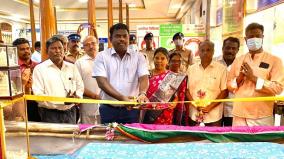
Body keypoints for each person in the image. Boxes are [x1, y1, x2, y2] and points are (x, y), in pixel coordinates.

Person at [227, 23, 284, 126]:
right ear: (245, 39)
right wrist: (239, 79)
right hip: (239, 114)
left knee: (260, 142)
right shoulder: (239, 60)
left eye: (257, 36)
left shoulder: (274, 60)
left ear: (262, 37)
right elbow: (229, 85)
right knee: (239, 142)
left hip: (261, 115)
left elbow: (278, 88)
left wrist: (254, 78)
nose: (254, 39)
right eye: (251, 36)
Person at [93, 23, 149, 124]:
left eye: (124, 36)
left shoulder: (138, 57)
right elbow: (102, 83)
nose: (122, 39)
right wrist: (122, 98)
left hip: (131, 110)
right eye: (117, 36)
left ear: (128, 38)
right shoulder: (101, 57)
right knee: (108, 137)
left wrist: (142, 93)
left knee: (131, 138)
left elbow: (143, 77)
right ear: (110, 39)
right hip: (108, 109)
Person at [32, 36, 84, 124]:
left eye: (60, 48)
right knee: (52, 138)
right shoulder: (40, 69)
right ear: (46, 51)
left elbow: (80, 86)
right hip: (50, 113)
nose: (58, 51)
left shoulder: (72, 67)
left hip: (71, 112)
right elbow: (38, 95)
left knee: (71, 137)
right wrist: (62, 102)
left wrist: (76, 97)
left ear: (64, 50)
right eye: (53, 48)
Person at [186, 40, 228, 126]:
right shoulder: (191, 69)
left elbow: (224, 92)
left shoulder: (221, 69)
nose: (205, 52)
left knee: (213, 139)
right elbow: (186, 90)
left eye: (208, 50)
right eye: (202, 50)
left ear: (213, 52)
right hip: (194, 113)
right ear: (199, 52)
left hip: (214, 116)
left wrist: (210, 107)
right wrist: (194, 104)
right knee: (194, 138)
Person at [143, 48, 187, 125]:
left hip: (165, 113)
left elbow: (176, 96)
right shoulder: (147, 75)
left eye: (162, 58)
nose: (159, 61)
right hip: (147, 112)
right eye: (157, 58)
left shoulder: (172, 76)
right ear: (153, 58)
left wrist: (175, 102)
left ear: (167, 61)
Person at [10, 38, 39, 121]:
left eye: (27, 48)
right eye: (22, 49)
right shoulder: (13, 68)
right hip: (20, 103)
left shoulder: (37, 66)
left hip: (37, 103)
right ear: (15, 51)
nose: (26, 51)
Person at [75, 36, 101, 124]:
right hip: (87, 105)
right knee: (87, 132)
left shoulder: (105, 59)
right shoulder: (79, 63)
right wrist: (94, 96)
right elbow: (77, 84)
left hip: (106, 105)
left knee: (105, 132)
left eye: (93, 43)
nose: (91, 46)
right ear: (84, 48)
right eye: (87, 45)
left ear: (97, 44)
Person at [215, 37, 240, 126]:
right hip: (214, 108)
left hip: (233, 108)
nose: (230, 51)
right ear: (222, 48)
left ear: (237, 50)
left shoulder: (241, 64)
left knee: (230, 136)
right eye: (228, 48)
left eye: (233, 48)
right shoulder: (214, 62)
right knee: (215, 136)